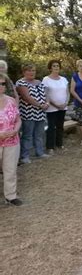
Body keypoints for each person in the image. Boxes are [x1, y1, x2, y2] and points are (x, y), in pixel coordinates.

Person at [15, 63, 49, 164]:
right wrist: (40, 105)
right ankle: (25, 156)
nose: (32, 72)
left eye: (33, 70)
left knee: (39, 134)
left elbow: (46, 94)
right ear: (24, 72)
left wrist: (47, 103)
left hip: (41, 113)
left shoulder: (39, 82)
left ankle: (40, 152)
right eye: (29, 70)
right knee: (27, 135)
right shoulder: (21, 83)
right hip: (28, 113)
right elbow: (27, 97)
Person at [0, 72, 23, 205]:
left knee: (10, 170)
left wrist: (16, 129)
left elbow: (18, 120)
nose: (1, 86)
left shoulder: (11, 100)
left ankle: (11, 196)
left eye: (3, 84)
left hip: (12, 142)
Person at [42, 59, 69, 155]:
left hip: (63, 107)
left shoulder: (63, 79)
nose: (56, 67)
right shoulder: (46, 79)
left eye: (57, 66)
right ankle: (50, 147)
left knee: (60, 126)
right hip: (52, 108)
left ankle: (59, 144)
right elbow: (46, 95)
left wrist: (66, 103)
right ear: (50, 68)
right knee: (51, 127)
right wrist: (56, 105)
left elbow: (67, 92)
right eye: (54, 66)